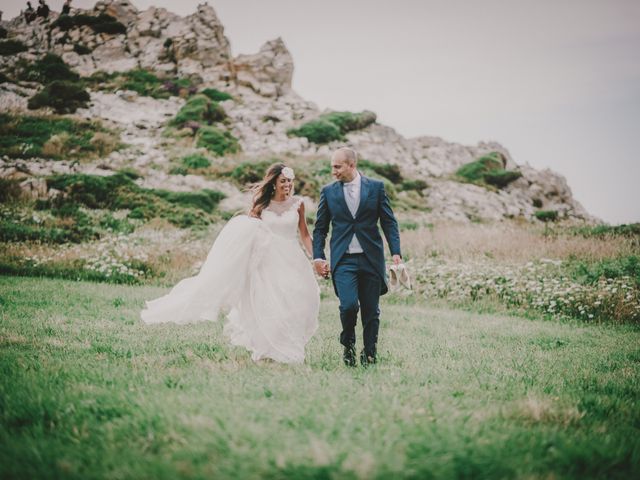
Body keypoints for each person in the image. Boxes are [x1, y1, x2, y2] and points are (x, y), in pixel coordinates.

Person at [140, 163, 320, 364]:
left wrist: (317, 257)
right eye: (283, 181)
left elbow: (304, 234)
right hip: (267, 261)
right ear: (274, 183)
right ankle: (270, 349)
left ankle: (290, 342)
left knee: (296, 302)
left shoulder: (298, 203)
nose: (287, 185)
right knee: (270, 303)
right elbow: (249, 232)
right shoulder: (262, 205)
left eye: (289, 181)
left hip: (292, 259)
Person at [313, 147, 401, 367]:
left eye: (337, 166)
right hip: (344, 261)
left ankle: (370, 355)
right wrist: (318, 256)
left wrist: (396, 251)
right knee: (349, 306)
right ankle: (348, 345)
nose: (333, 171)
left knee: (371, 311)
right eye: (332, 166)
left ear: (351, 165)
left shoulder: (377, 188)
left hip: (371, 258)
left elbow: (389, 222)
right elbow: (320, 228)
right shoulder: (328, 192)